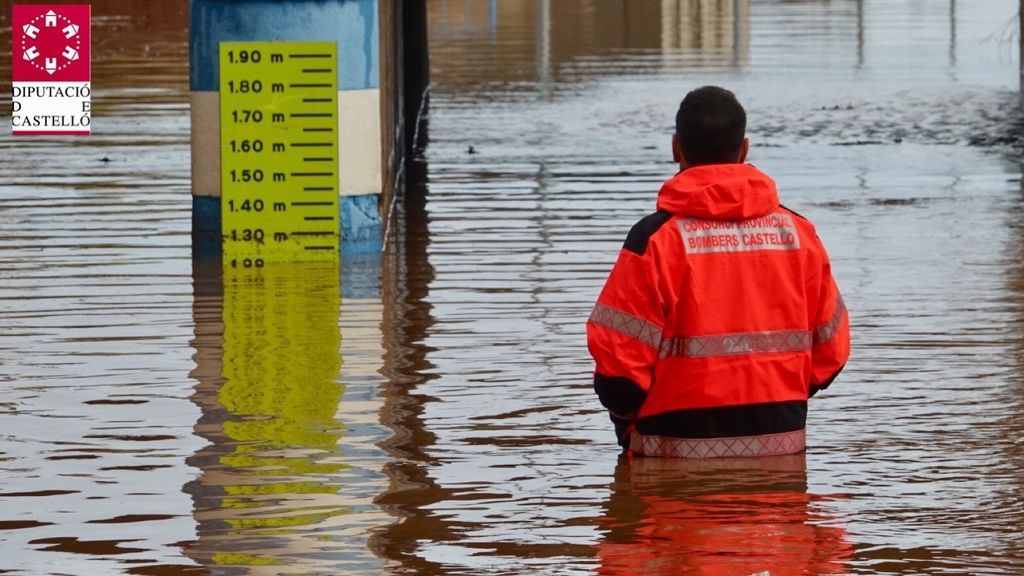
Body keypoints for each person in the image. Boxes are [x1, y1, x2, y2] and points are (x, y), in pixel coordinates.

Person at [587, 86, 850, 458]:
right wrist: (777, 396)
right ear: (744, 150)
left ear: (676, 148)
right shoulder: (798, 234)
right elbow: (832, 351)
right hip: (779, 451)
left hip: (672, 452)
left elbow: (619, 372)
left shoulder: (656, 240)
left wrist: (628, 421)